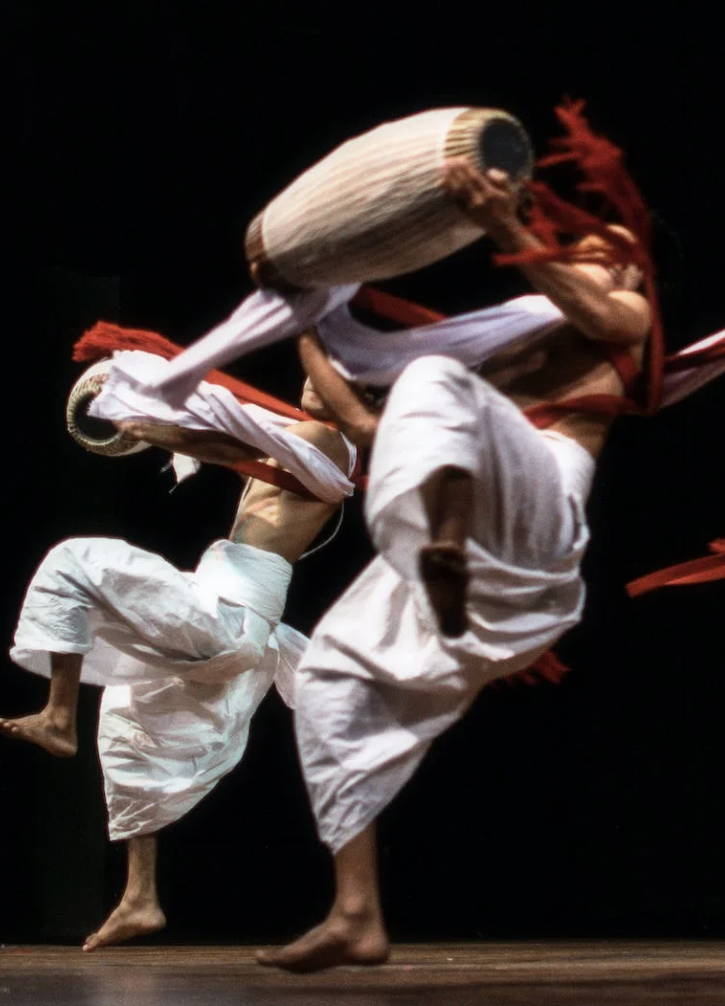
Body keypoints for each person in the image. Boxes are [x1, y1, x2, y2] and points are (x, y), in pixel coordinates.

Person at [256, 159, 654, 972]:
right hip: (485, 567)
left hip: (539, 518)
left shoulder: (629, 312)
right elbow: (367, 430)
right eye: (580, 246)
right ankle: (357, 911)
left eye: (602, 249)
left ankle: (443, 545)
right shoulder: (500, 343)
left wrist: (508, 228)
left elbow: (601, 316)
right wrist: (301, 323)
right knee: (327, 674)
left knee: (433, 380)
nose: (588, 254)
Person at [0, 405, 348, 950]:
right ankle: (140, 898)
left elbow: (234, 449)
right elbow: (236, 434)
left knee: (75, 561)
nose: (306, 376)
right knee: (131, 721)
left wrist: (155, 428)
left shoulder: (323, 436)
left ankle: (59, 714)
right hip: (234, 622)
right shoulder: (305, 434)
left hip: (231, 614)